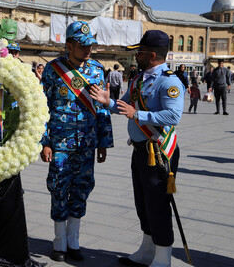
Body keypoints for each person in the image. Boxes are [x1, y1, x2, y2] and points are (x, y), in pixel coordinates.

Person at [90, 30, 184, 267]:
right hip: (140, 150)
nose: (136, 57)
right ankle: (147, 249)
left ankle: (163, 257)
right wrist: (107, 102)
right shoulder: (138, 79)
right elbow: (125, 105)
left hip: (159, 151)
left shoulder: (169, 80)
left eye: (139, 52)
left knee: (158, 204)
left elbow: (173, 115)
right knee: (142, 203)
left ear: (152, 54)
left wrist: (138, 114)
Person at [40, 21, 113, 262]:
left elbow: (102, 108)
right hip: (60, 143)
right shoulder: (53, 70)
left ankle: (74, 240)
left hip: (86, 143)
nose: (88, 50)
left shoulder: (96, 70)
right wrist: (45, 141)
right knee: (59, 187)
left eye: (91, 45)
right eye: (83, 46)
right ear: (69, 45)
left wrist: (103, 141)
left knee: (82, 188)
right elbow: (42, 108)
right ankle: (59, 241)